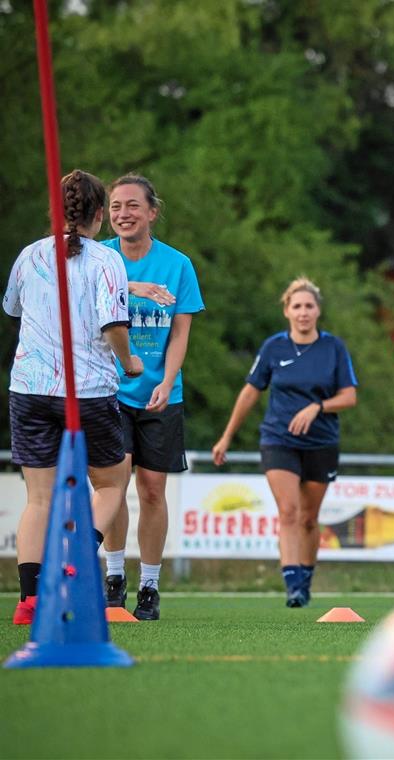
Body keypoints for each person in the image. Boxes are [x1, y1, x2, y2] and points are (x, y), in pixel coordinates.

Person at [3, 170, 142, 624]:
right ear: (99, 214)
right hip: (87, 391)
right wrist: (130, 362)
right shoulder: (106, 261)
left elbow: (12, 308)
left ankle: (28, 601)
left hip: (29, 389)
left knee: (38, 499)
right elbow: (114, 326)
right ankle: (73, 564)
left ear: (56, 212)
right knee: (110, 483)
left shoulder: (30, 255)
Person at [211, 278, 358, 607]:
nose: (303, 312)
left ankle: (305, 579)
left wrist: (318, 406)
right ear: (287, 311)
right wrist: (226, 437)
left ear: (318, 310)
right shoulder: (273, 348)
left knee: (308, 517)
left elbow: (349, 396)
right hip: (278, 439)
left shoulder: (333, 348)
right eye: (297, 306)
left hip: (322, 442)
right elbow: (250, 392)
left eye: (309, 306)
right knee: (289, 511)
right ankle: (291, 582)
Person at [99, 174, 204, 621]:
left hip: (161, 393)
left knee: (153, 490)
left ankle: (149, 587)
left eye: (132, 206)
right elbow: (82, 309)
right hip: (105, 391)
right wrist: (132, 288)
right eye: (115, 206)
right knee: (113, 485)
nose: (123, 214)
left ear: (152, 212)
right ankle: (114, 576)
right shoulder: (97, 258)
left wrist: (168, 379)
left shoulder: (177, 264)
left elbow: (180, 332)